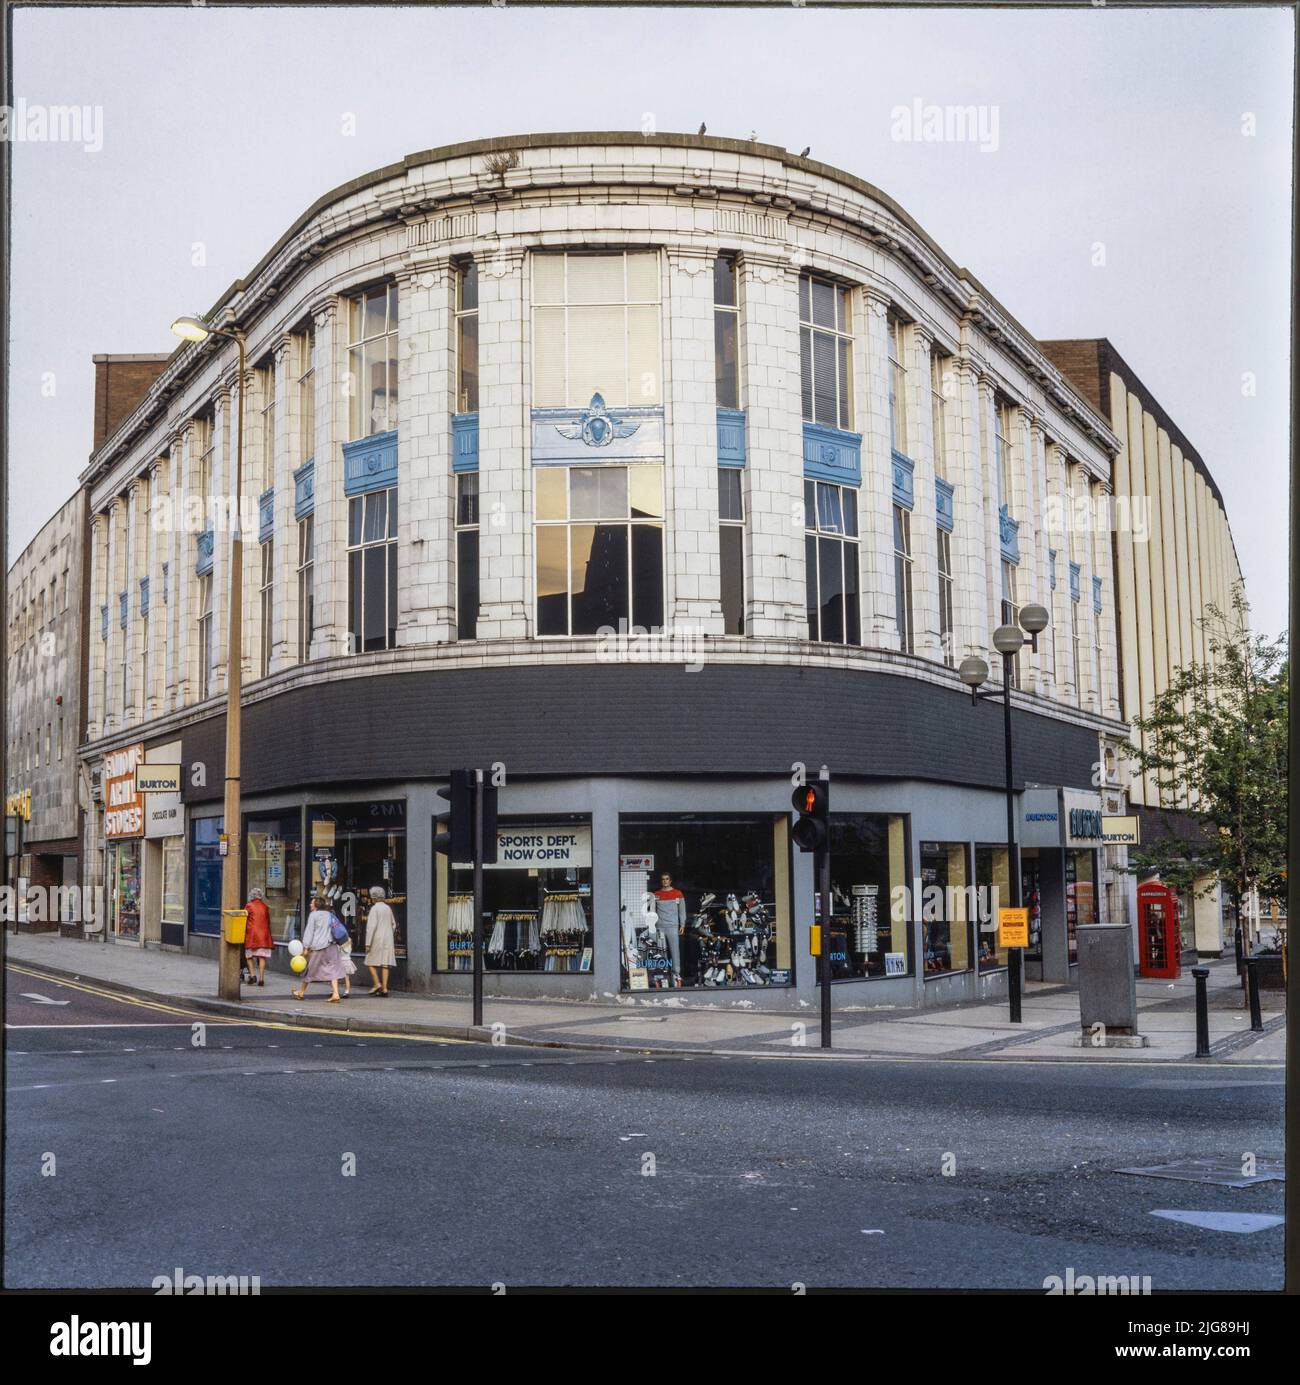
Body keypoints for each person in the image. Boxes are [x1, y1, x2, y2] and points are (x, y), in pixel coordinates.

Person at [292, 895, 354, 1004]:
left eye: (312, 903)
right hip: (332, 946)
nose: (310, 904)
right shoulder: (329, 914)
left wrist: (306, 947)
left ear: (316, 905)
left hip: (319, 947)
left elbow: (309, 932)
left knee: (310, 970)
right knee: (333, 969)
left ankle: (301, 992)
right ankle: (335, 994)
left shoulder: (313, 915)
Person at [652, 872, 687, 983]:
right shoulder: (656, 895)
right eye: (663, 879)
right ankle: (664, 974)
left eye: (667, 879)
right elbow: (652, 912)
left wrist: (682, 924)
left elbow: (682, 911)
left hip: (672, 927)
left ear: (670, 881)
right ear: (661, 881)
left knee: (674, 951)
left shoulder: (678, 893)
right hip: (659, 927)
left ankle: (676, 974)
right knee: (662, 952)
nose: (665, 881)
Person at [364, 886, 398, 996]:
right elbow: (393, 924)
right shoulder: (388, 908)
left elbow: (371, 927)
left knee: (369, 961)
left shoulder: (374, 909)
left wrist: (368, 943)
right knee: (385, 964)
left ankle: (377, 984)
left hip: (377, 938)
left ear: (374, 897)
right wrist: (389, 933)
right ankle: (385, 989)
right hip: (388, 939)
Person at [243, 887, 274, 987]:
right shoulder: (265, 907)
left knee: (249, 956)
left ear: (251, 896)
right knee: (262, 957)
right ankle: (261, 978)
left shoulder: (249, 906)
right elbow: (268, 921)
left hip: (252, 935)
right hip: (264, 935)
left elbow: (243, 919)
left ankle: (252, 976)